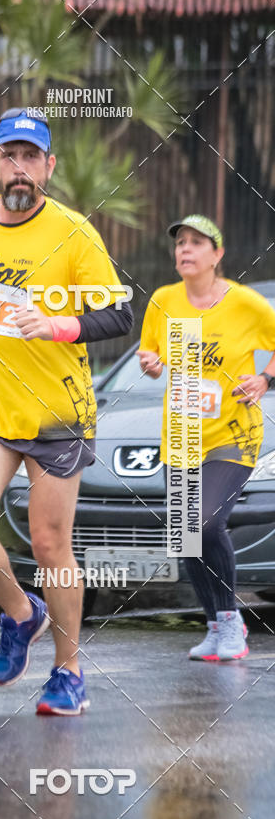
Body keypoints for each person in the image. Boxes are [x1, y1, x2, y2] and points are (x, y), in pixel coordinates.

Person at [0, 108, 133, 715]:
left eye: (31, 157)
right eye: (9, 155)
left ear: (49, 166)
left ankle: (69, 672)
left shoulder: (75, 234)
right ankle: (23, 614)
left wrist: (58, 324)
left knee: (50, 545)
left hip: (57, 414)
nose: (20, 168)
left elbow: (120, 313)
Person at [137, 214, 275, 661]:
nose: (185, 249)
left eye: (197, 242)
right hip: (181, 434)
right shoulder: (163, 301)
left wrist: (264, 379)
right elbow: (150, 352)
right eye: (180, 242)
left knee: (206, 522)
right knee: (185, 535)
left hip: (233, 435)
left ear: (217, 254)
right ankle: (215, 627)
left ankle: (233, 623)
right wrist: (150, 363)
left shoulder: (245, 303)